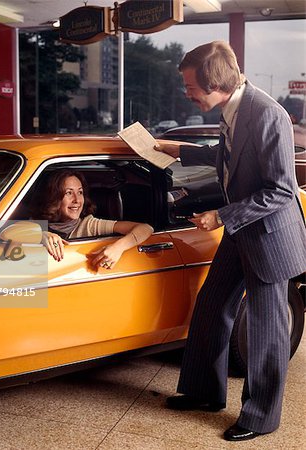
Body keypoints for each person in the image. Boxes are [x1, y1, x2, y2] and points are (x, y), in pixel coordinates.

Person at [156, 41, 306, 441]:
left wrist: (220, 215)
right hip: (243, 233)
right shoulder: (234, 108)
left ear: (215, 83)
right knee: (210, 305)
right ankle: (205, 393)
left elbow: (281, 191)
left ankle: (260, 418)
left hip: (270, 237)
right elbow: (227, 154)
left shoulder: (268, 114)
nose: (186, 93)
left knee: (266, 332)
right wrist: (177, 149)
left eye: (191, 87)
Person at [35, 169, 153, 269]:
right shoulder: (36, 222)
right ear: (54, 197)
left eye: (80, 192)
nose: (77, 200)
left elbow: (146, 228)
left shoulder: (89, 225)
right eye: (68, 193)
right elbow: (16, 230)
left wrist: (118, 247)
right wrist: (38, 235)